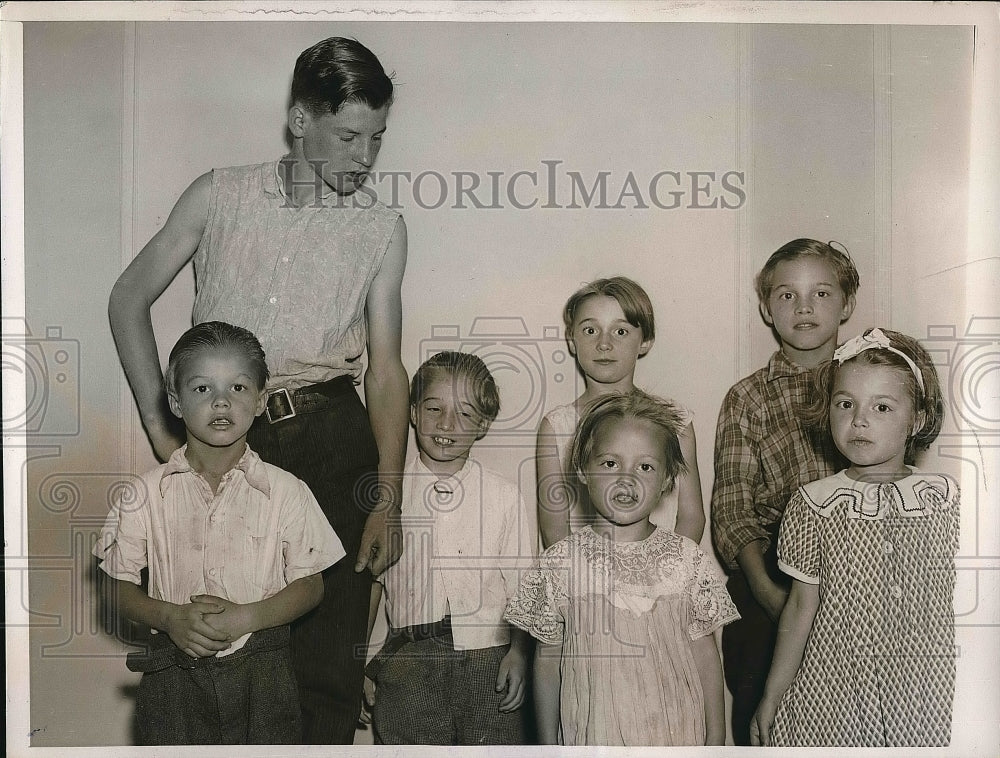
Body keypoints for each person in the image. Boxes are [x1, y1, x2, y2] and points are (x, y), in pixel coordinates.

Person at [107, 37, 409, 743]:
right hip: (229, 434)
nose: (364, 158)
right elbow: (128, 299)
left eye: (377, 139)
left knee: (327, 667)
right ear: (302, 121)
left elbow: (388, 372)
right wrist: (163, 423)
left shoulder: (382, 230)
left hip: (338, 440)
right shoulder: (220, 193)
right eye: (349, 136)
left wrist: (388, 498)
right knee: (210, 652)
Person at [93, 322, 345, 744]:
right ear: (175, 402)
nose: (222, 401)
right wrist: (169, 617)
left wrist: (248, 617)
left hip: (264, 679)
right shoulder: (144, 494)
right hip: (173, 675)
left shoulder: (287, 491)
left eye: (239, 388)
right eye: (203, 389)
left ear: (261, 400)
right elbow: (114, 589)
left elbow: (311, 586)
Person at [751, 328, 958, 746]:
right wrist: (772, 692)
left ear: (916, 419)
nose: (858, 419)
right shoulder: (814, 504)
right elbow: (799, 611)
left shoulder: (945, 499)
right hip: (837, 691)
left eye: (882, 407)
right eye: (845, 404)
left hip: (925, 692)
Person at [507, 390, 738, 745]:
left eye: (645, 466)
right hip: (596, 734)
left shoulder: (686, 560)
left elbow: (707, 659)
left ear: (665, 482)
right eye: (610, 463)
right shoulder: (560, 564)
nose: (626, 478)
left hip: (675, 735)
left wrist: (716, 742)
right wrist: (548, 746)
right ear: (583, 470)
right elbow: (548, 661)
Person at [709, 238, 859, 745]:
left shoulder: (870, 386)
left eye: (820, 293)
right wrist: (770, 596)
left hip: (856, 566)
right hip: (769, 571)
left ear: (847, 305)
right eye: (787, 295)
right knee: (765, 721)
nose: (804, 308)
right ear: (766, 308)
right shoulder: (748, 396)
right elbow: (732, 510)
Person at [362, 351, 534, 744]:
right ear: (412, 411)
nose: (446, 424)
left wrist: (520, 655)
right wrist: (363, 665)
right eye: (434, 408)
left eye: (465, 414)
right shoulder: (387, 499)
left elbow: (525, 588)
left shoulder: (503, 496)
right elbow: (372, 586)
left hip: (488, 660)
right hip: (407, 660)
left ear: (484, 425)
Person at [536, 276, 706, 549]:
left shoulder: (675, 422)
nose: (604, 344)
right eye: (590, 331)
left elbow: (691, 517)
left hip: (660, 579)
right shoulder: (557, 427)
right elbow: (555, 530)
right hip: (585, 581)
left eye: (620, 331)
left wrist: (663, 577)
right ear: (572, 341)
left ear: (645, 342)